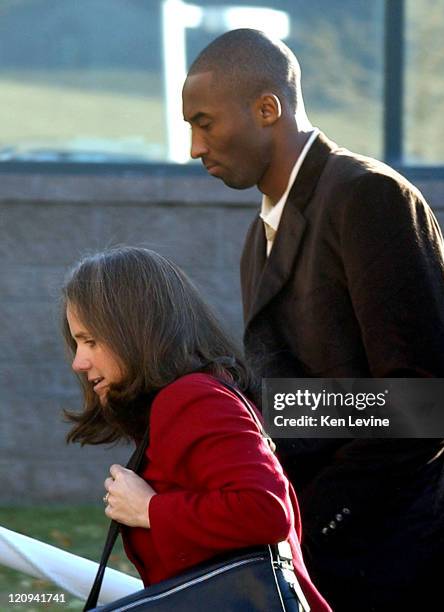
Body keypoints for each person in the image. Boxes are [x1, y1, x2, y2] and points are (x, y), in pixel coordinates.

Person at [182, 28, 444, 611]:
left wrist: (308, 518)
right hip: (333, 561)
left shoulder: (369, 197)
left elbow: (430, 403)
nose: (195, 147)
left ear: (267, 108)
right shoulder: (259, 239)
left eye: (204, 122)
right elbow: (301, 396)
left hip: (411, 555)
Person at [61, 246, 331, 612]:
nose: (79, 361)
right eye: (77, 343)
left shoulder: (192, 398)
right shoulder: (195, 395)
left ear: (137, 330)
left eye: (90, 341)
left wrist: (149, 510)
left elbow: (266, 510)